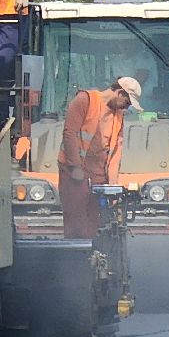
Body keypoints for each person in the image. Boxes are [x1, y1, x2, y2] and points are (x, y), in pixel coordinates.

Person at [58, 76, 140, 238]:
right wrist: (75, 167)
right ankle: (77, 258)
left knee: (96, 225)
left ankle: (97, 259)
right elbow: (70, 134)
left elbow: (116, 152)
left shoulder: (118, 116)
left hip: (98, 178)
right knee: (76, 223)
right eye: (128, 102)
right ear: (120, 92)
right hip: (73, 173)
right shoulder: (85, 100)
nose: (127, 107)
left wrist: (113, 184)